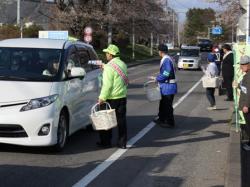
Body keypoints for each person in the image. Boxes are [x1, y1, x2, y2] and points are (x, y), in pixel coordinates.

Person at [97, 44, 128, 149]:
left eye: (107, 53)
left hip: (111, 98)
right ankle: (122, 143)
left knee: (106, 121)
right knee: (121, 121)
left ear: (110, 54)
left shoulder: (109, 67)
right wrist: (105, 67)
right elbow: (117, 73)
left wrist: (102, 98)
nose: (106, 55)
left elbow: (107, 85)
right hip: (122, 97)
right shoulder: (123, 64)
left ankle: (106, 142)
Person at [153, 44, 177, 128]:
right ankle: (161, 119)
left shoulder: (166, 60)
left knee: (167, 105)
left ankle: (170, 123)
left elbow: (166, 72)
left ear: (160, 51)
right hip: (167, 85)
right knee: (163, 103)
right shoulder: (169, 58)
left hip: (168, 86)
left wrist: (158, 78)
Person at [238, 55, 250, 150]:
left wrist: (246, 105)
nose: (241, 67)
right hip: (246, 105)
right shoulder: (246, 75)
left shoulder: (249, 76)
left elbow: (249, 92)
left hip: (247, 106)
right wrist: (238, 85)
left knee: (249, 125)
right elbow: (244, 88)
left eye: (242, 65)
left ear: (248, 65)